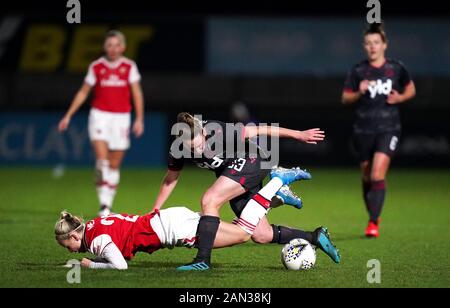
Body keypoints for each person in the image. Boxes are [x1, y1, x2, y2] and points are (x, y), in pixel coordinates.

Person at [152, 112, 327, 270]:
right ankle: (313, 235)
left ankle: (202, 260)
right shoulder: (178, 147)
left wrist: (298, 134)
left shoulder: (219, 131)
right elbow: (170, 180)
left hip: (252, 159)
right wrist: (156, 209)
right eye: (191, 148)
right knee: (260, 234)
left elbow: (259, 129)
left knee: (210, 200)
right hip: (231, 172)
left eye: (197, 145)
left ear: (204, 133)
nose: (196, 151)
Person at [55, 173, 340, 270]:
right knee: (255, 233)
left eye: (64, 245)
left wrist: (92, 265)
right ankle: (277, 199)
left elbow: (120, 265)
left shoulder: (97, 243)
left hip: (177, 229)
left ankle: (276, 182)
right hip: (170, 218)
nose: (68, 250)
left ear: (73, 237)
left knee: (243, 234)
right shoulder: (98, 222)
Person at [58, 30, 145, 217]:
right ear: (104, 47)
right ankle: (104, 205)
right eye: (109, 45)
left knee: (114, 165)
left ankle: (107, 204)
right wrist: (68, 115)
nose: (112, 49)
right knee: (102, 162)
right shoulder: (96, 67)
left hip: (121, 117)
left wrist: (139, 118)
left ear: (123, 47)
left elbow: (136, 92)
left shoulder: (129, 67)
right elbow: (83, 92)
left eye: (116, 45)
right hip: (99, 116)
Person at [341, 23, 416, 238]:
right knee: (366, 178)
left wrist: (400, 97)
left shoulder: (396, 68)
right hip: (363, 129)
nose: (372, 47)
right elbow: (345, 98)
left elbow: (411, 88)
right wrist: (359, 91)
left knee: (376, 174)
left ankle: (373, 222)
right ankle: (374, 214)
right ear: (364, 46)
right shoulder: (358, 71)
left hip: (388, 128)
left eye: (376, 42)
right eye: (368, 43)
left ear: (384, 44)